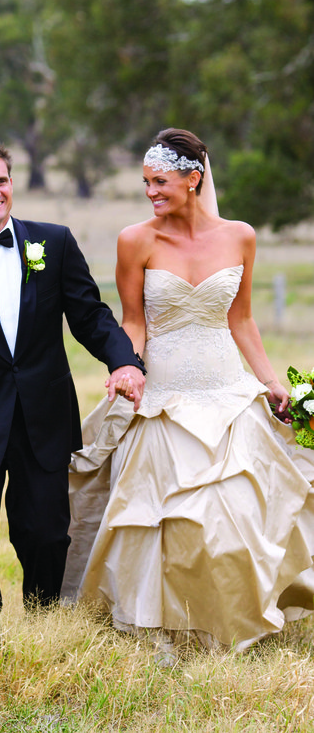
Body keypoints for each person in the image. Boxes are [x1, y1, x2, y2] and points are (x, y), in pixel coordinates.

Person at [61, 128, 314, 654]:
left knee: (239, 509)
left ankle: (236, 622)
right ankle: (168, 628)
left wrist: (269, 382)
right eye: (146, 183)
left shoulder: (240, 235)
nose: (151, 192)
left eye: (161, 181)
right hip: (166, 394)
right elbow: (134, 323)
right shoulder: (136, 240)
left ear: (194, 179)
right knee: (168, 517)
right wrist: (124, 368)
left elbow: (241, 319)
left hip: (226, 388)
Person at [0, 138, 146, 630]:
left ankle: (44, 627)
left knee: (47, 533)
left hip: (45, 416)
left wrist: (125, 361)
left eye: (1, 181)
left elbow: (90, 316)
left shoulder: (51, 243)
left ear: (12, 183)